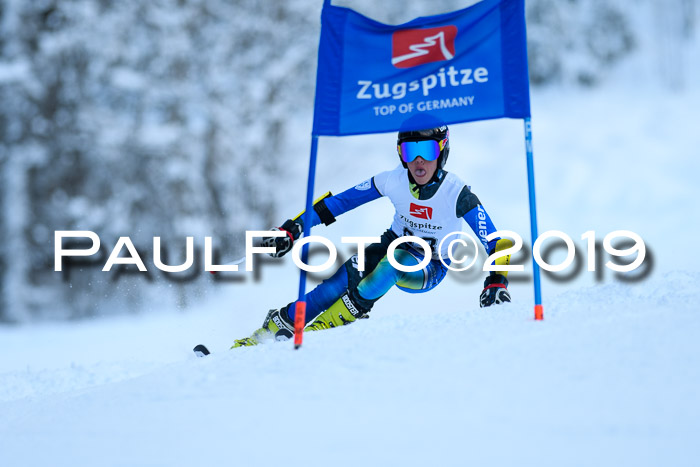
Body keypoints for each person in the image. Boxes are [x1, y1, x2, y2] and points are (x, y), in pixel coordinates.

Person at [232, 120, 512, 347]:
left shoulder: (456, 193)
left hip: (431, 264)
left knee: (395, 262)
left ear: (441, 151)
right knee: (331, 287)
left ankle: (322, 330)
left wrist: (497, 282)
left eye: (426, 150)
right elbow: (338, 203)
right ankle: (266, 334)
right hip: (390, 244)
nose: (418, 161)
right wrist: (292, 229)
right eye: (408, 152)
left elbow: (496, 241)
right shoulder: (392, 180)